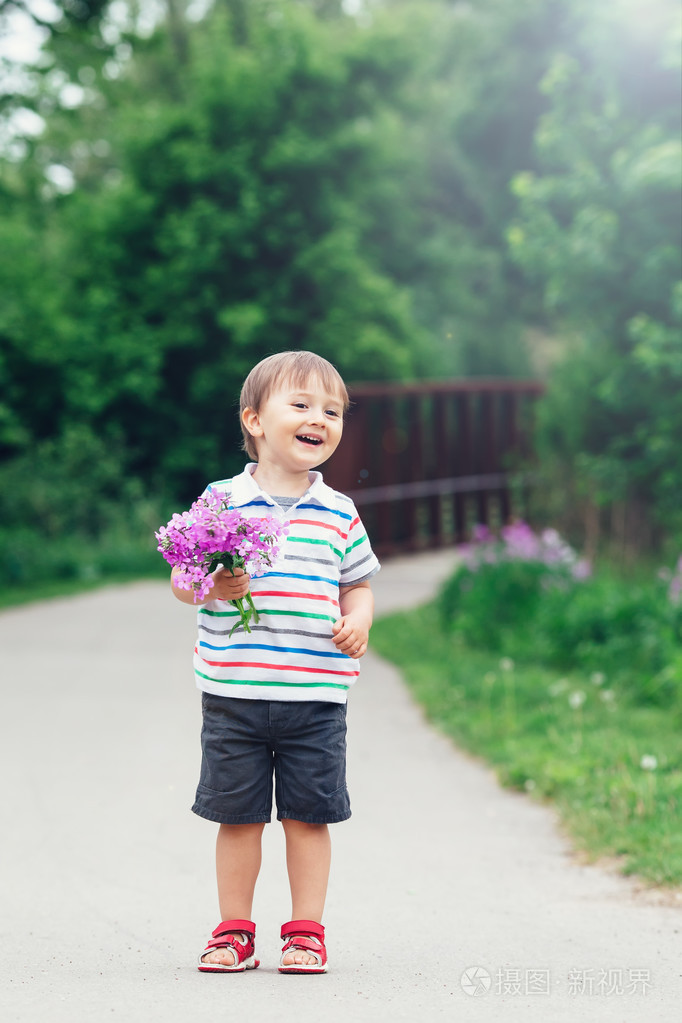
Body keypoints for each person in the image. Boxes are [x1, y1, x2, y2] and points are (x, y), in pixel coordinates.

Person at [170, 351, 380, 975]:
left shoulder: (339, 511)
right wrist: (209, 588)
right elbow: (183, 579)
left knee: (308, 818)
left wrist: (358, 620)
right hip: (233, 694)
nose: (320, 419)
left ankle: (305, 931)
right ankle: (234, 929)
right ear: (255, 420)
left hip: (315, 697)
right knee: (236, 818)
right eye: (303, 405)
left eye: (332, 411)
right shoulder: (220, 500)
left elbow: (359, 583)